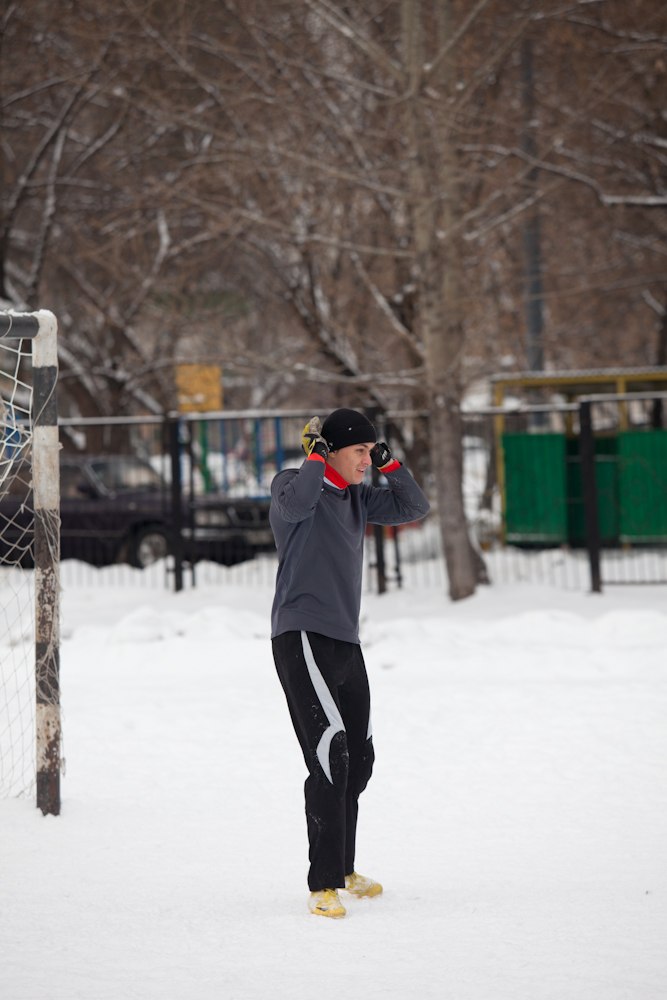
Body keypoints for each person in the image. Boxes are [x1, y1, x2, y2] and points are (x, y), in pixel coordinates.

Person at [270, 407, 430, 918]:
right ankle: (322, 884)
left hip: (345, 640)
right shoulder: (292, 483)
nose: (367, 458)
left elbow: (414, 505)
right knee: (329, 752)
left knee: (358, 758)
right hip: (301, 636)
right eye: (359, 450)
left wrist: (386, 460)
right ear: (328, 451)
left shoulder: (358, 497)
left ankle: (343, 867)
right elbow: (296, 508)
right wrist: (317, 454)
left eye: (370, 450)